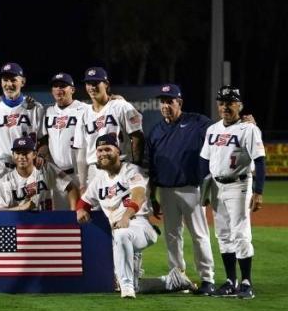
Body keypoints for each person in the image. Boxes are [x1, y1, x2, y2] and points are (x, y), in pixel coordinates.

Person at [145, 83, 216, 294]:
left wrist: (244, 123)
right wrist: (153, 197)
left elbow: (222, 130)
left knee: (199, 235)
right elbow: (152, 166)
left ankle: (207, 278)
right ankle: (178, 276)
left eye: (170, 101)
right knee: (172, 236)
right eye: (163, 102)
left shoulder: (197, 122)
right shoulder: (156, 131)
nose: (165, 105)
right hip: (166, 191)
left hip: (192, 189)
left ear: (180, 103)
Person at [200, 86, 266, 299]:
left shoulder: (249, 129)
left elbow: (260, 161)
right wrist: (204, 186)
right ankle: (230, 280)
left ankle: (246, 282)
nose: (225, 106)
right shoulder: (213, 129)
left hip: (239, 185)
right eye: (221, 102)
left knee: (240, 232)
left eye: (230, 102)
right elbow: (204, 159)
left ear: (240, 105)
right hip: (217, 186)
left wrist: (258, 191)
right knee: (223, 234)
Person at [77, 134, 160, 299]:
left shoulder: (131, 170)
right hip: (120, 230)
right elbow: (84, 201)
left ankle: (126, 288)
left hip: (140, 225)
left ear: (118, 150)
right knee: (122, 239)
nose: (103, 153)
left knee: (122, 235)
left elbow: (139, 195)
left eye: (107, 149)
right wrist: (81, 210)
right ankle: (174, 281)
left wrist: (126, 216)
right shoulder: (99, 179)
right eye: (99, 150)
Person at [0, 62, 45, 174]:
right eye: (5, 80)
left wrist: (41, 155)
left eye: (13, 80)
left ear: (23, 82)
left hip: (27, 169)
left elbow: (44, 139)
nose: (9, 84)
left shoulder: (35, 108)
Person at [81, 67, 144, 179]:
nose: (92, 87)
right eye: (88, 83)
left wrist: (136, 165)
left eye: (96, 83)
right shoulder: (84, 113)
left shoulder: (121, 106)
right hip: (94, 171)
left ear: (106, 84)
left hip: (120, 167)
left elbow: (137, 137)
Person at [0, 136, 80, 211]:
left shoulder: (46, 168)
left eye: (26, 153)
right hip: (20, 225)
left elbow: (71, 187)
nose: (21, 157)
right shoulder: (6, 180)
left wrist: (73, 213)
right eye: (18, 153)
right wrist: (21, 208)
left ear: (34, 154)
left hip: (48, 223)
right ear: (13, 155)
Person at [41, 72, 90, 208]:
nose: (59, 89)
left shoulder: (85, 109)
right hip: (58, 176)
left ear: (72, 90)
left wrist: (116, 98)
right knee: (61, 220)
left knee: (84, 217)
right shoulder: (48, 112)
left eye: (63, 86)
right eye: (55, 86)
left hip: (80, 174)